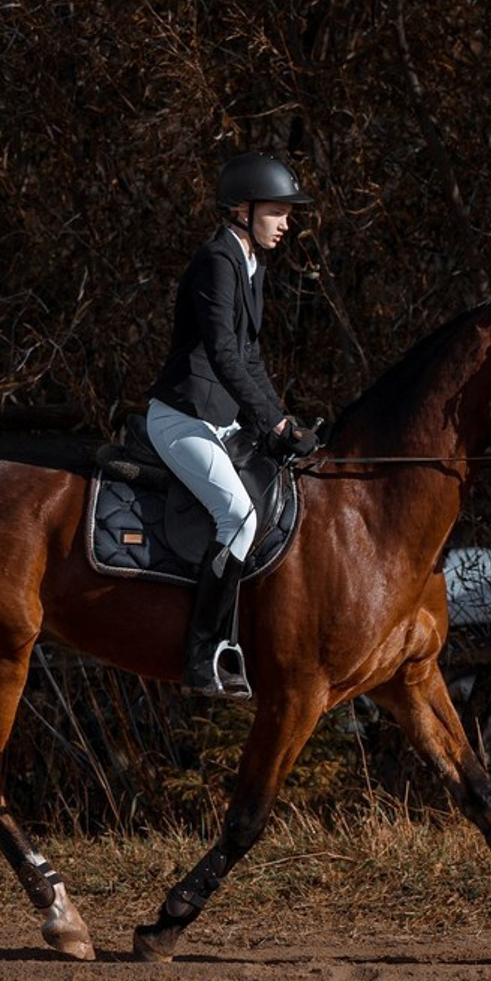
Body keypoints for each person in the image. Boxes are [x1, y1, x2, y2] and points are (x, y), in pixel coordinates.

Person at [146, 153, 320, 699]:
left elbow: (250, 358)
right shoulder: (217, 261)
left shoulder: (250, 264)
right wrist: (270, 420)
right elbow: (222, 352)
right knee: (238, 518)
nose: (286, 223)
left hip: (218, 419)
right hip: (181, 417)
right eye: (277, 212)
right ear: (242, 211)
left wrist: (282, 423)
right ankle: (202, 656)